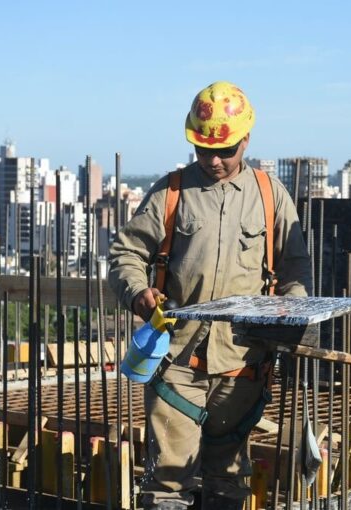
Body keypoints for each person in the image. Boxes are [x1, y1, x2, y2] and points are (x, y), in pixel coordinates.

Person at [108, 81, 312, 510]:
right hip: (177, 361)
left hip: (243, 363)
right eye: (204, 151)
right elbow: (126, 252)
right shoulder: (172, 191)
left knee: (229, 481)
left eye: (225, 150)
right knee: (167, 483)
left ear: (247, 140)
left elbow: (294, 269)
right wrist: (137, 292)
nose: (214, 161)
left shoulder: (270, 195)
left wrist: (291, 312)